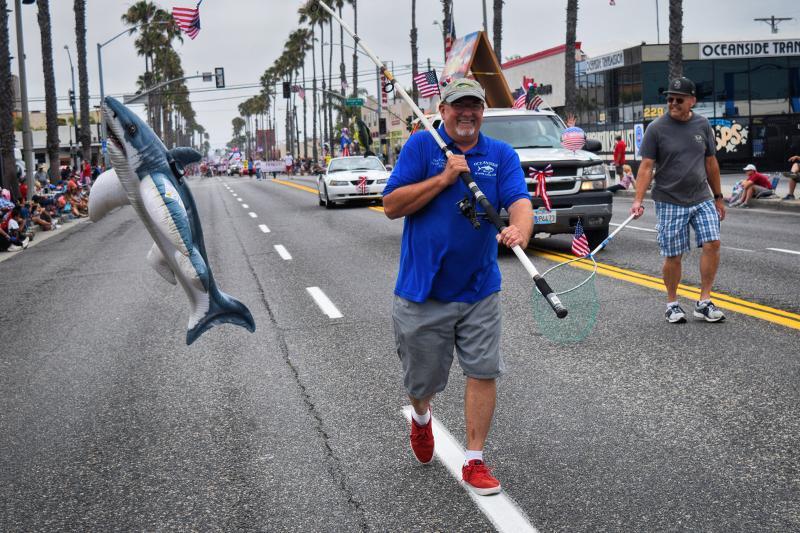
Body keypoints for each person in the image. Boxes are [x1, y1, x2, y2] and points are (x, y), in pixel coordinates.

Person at [382, 78, 533, 496]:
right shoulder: (421, 146)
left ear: (482, 112)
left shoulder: (500, 154)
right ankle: (421, 419)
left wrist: (519, 230)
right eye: (459, 106)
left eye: (475, 107)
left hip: (479, 286)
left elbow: (520, 201)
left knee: (483, 370)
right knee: (421, 384)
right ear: (442, 110)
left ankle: (474, 460)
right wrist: (444, 178)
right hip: (422, 290)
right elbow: (392, 205)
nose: (467, 113)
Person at [630, 77, 726, 324]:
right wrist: (637, 200)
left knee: (712, 243)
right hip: (669, 199)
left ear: (692, 101)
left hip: (701, 196)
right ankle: (672, 303)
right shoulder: (656, 128)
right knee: (674, 255)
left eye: (678, 99)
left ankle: (704, 301)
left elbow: (710, 162)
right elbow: (646, 167)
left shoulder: (702, 125)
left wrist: (718, 197)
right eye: (669, 99)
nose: (672, 103)